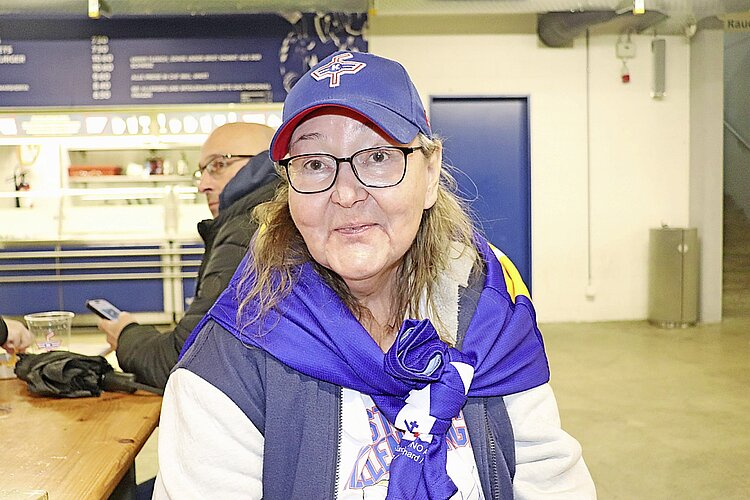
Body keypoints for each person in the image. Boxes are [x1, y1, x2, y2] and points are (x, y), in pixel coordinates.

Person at [155, 51, 596, 499]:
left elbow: (550, 478)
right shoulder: (232, 358)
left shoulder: (490, 316)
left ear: (430, 172)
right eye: (315, 164)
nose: (346, 193)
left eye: (378, 156)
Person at [97, 122, 279, 389]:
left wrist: (126, 333)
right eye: (201, 171)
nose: (203, 185)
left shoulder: (246, 232)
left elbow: (184, 361)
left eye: (219, 165)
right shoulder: (274, 221)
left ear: (264, 163)